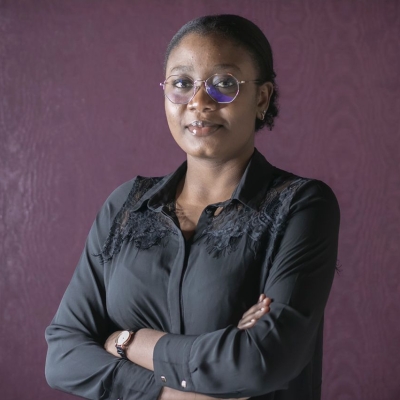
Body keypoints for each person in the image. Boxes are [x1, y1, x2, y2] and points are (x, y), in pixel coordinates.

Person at [45, 14, 340, 400]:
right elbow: (63, 355)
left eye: (224, 84)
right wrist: (171, 394)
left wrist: (127, 342)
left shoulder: (302, 206)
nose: (199, 102)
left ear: (262, 98)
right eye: (182, 83)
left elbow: (261, 361)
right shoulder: (126, 205)